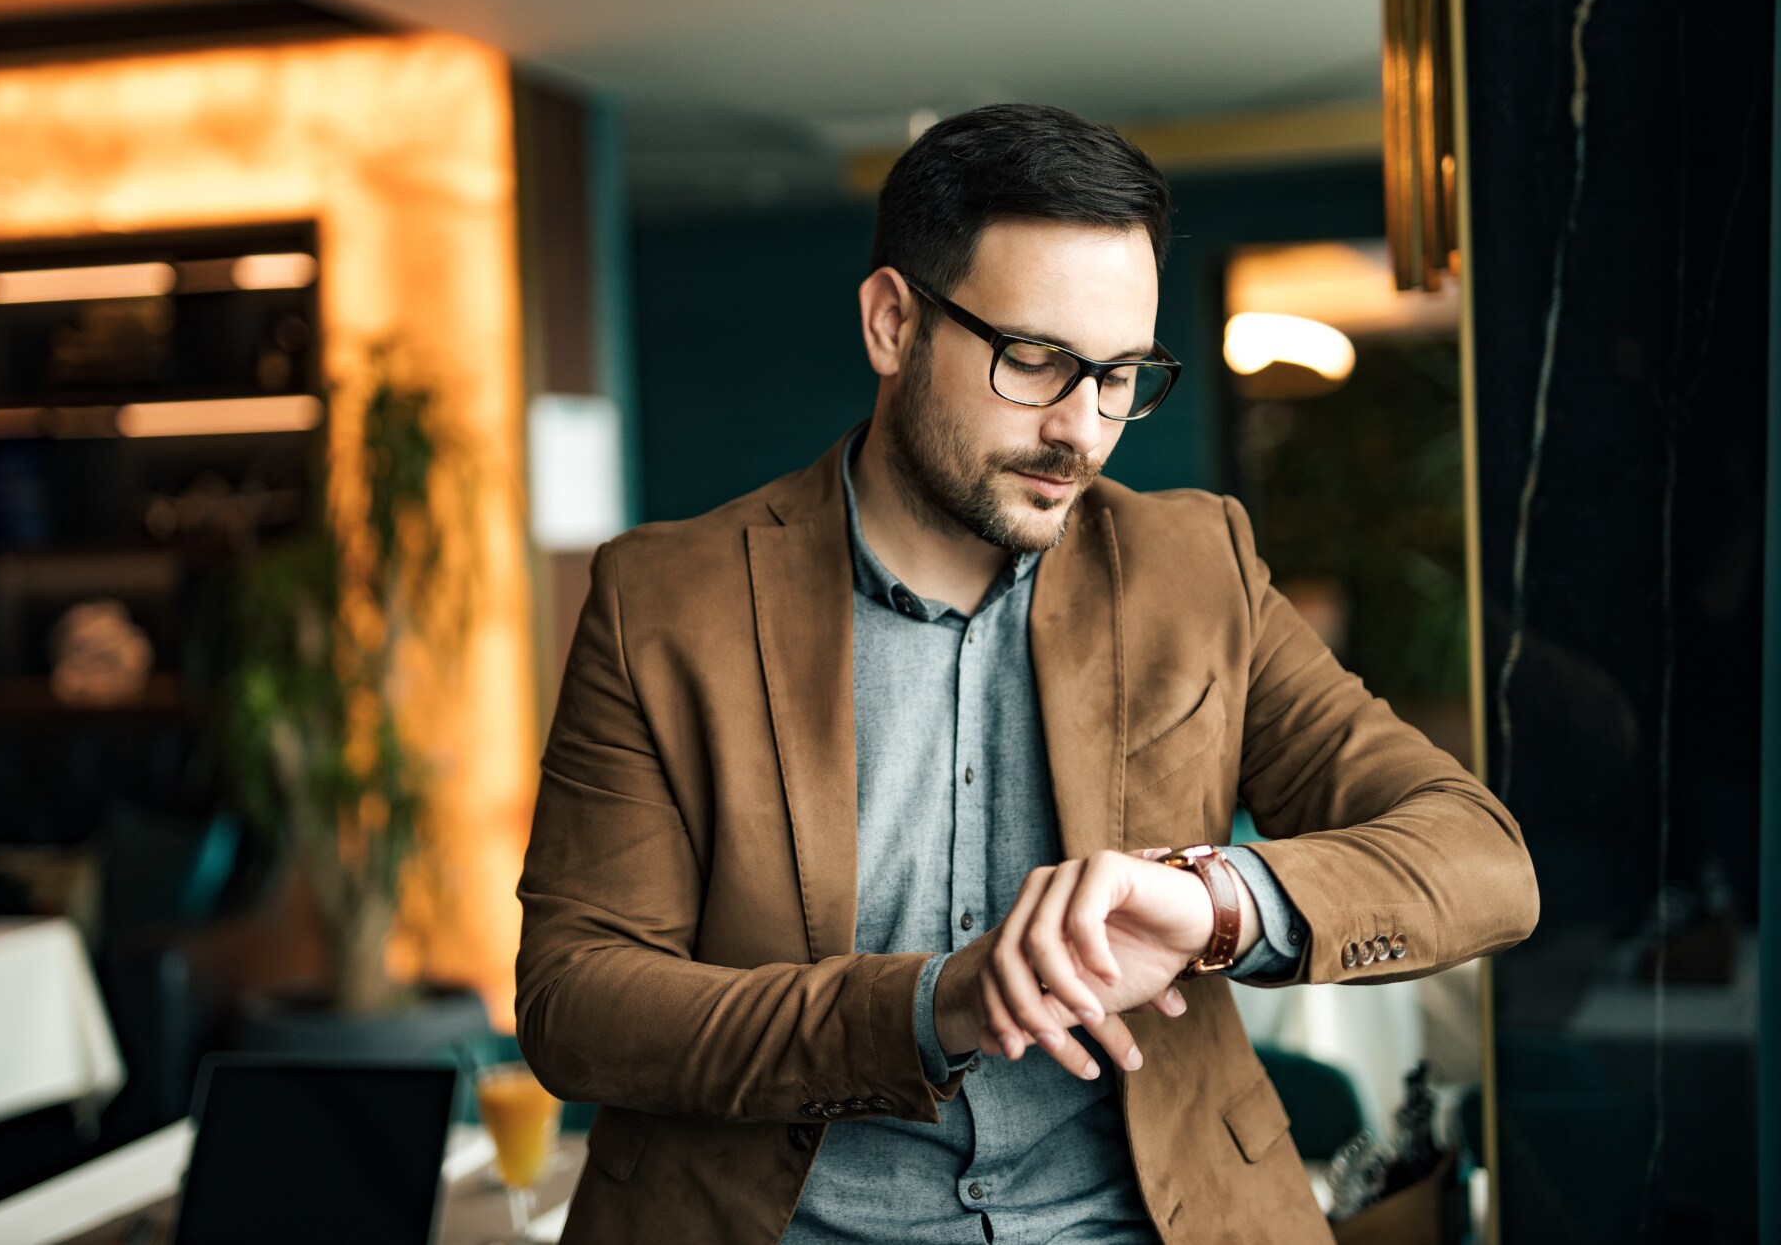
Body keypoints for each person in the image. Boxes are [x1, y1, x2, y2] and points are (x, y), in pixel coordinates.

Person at [515, 103, 1538, 1244]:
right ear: (892, 321)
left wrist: (1208, 901)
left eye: (1119, 375)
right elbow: (577, 999)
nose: (1082, 431)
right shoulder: (665, 599)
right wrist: (928, 1001)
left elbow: (1479, 858)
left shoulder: (1195, 566)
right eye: (1036, 359)